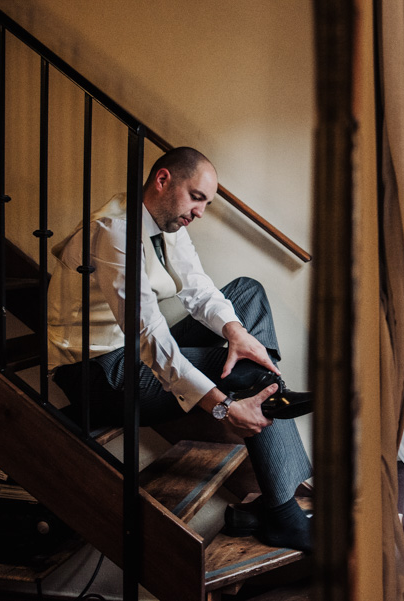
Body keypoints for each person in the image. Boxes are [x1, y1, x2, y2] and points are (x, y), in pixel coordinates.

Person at [48, 147, 313, 552]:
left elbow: (199, 289)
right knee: (246, 377)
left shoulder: (166, 226)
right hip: (98, 374)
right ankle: (282, 513)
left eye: (206, 202)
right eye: (197, 197)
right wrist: (222, 406)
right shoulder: (114, 231)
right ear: (163, 180)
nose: (201, 211)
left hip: (128, 355)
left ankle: (268, 387)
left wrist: (236, 333)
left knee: (246, 294)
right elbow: (149, 334)